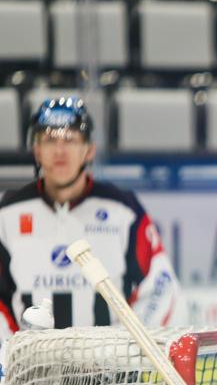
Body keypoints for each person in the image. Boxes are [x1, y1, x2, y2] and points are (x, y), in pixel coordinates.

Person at [0, 96, 187, 341]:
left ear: (89, 150)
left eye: (70, 140)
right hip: (29, 364)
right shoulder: (7, 212)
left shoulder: (123, 210)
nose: (60, 151)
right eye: (50, 140)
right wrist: (9, 352)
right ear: (37, 150)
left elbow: (160, 287)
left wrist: (130, 349)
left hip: (109, 364)